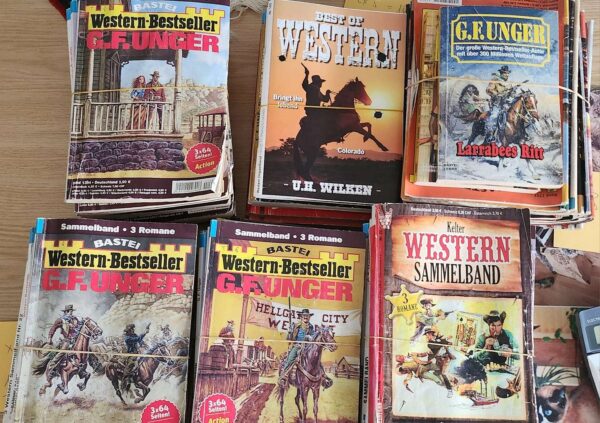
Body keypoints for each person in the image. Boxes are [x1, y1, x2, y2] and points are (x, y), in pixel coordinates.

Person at [280, 308, 315, 382]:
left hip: (307, 347)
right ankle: (283, 376)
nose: (305, 317)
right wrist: (290, 332)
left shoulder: (311, 327)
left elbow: (313, 337)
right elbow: (289, 339)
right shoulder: (296, 325)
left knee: (316, 359)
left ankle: (322, 376)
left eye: (307, 316)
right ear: (301, 316)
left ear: (309, 317)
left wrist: (310, 337)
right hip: (297, 346)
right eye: (304, 315)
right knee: (290, 359)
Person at [45, 304, 82, 375]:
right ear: (66, 311)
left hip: (76, 339)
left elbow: (79, 327)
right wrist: (50, 337)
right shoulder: (60, 320)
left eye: (72, 311)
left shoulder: (75, 319)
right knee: (62, 351)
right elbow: (53, 328)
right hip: (67, 340)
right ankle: (51, 366)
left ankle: (82, 370)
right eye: (70, 311)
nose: (71, 313)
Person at [485, 65, 514, 144]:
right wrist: (496, 94)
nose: (507, 75)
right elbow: (488, 90)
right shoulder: (495, 80)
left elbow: (512, 94)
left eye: (508, 73)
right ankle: (490, 134)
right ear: (501, 73)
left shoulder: (509, 84)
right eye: (505, 73)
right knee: (494, 116)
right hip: (497, 104)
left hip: (506, 104)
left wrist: (513, 93)